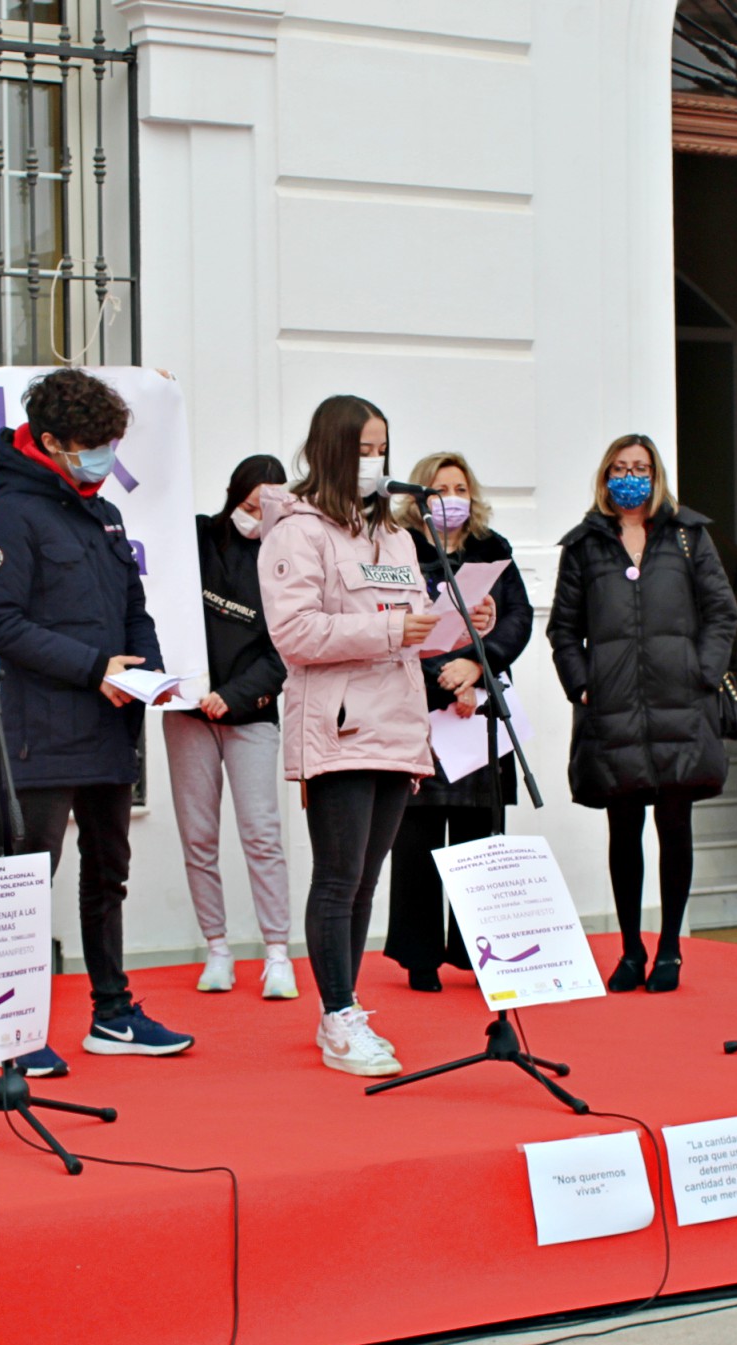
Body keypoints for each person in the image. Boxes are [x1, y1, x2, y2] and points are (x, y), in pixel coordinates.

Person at [258, 396, 494, 1077]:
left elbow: (413, 621)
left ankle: (346, 1005)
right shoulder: (297, 534)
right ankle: (337, 1015)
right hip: (338, 723)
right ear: (332, 451)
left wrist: (458, 618)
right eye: (363, 449)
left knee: (366, 881)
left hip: (395, 722)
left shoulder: (392, 535)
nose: (376, 462)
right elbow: (295, 634)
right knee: (338, 878)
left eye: (382, 448)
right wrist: (397, 630)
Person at [0, 366, 194, 1066]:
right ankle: (13, 1031)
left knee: (109, 873)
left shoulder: (105, 512)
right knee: (25, 879)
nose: (102, 457)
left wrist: (149, 675)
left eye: (109, 444)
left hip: (109, 727)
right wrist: (91, 668)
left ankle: (113, 1015)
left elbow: (134, 607)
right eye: (89, 444)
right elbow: (0, 626)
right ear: (49, 442)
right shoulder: (11, 515)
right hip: (43, 730)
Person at [546, 434, 737, 994]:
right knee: (623, 829)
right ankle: (631, 949)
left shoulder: (687, 536)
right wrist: (582, 685)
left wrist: (701, 672)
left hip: (680, 705)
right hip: (614, 709)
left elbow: (722, 612)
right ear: (606, 477)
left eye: (642, 468)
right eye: (620, 468)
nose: (631, 477)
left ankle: (671, 948)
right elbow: (563, 628)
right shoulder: (584, 544)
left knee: (675, 826)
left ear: (657, 478)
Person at [381, 452, 533, 992]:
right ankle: (420, 956)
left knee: (479, 836)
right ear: (419, 496)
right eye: (439, 488)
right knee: (418, 836)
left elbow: (518, 618)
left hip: (479, 713)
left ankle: (478, 952)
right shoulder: (396, 547)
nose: (451, 497)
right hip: (420, 709)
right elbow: (392, 620)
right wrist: (445, 680)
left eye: (460, 487)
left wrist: (477, 669)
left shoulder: (494, 549)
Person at [166, 454, 295, 998]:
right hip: (187, 712)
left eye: (268, 509)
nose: (255, 517)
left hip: (251, 713)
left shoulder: (287, 560)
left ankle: (277, 954)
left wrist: (233, 696)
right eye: (248, 505)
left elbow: (287, 645)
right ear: (232, 495)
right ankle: (216, 949)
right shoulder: (193, 538)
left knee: (261, 833)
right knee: (198, 837)